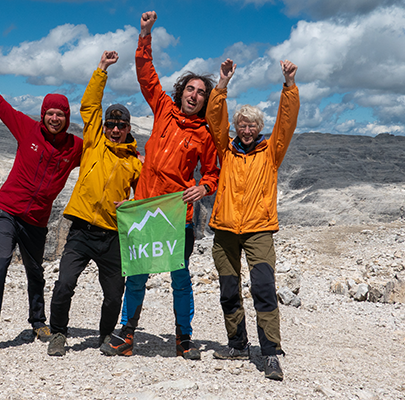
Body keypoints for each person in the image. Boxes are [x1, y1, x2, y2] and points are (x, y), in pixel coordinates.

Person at [100, 10, 220, 360]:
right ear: (181, 91)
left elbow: (213, 173)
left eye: (201, 92)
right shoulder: (164, 109)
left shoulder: (205, 135)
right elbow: (146, 75)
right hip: (145, 208)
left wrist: (204, 188)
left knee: (180, 277)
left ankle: (184, 338)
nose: (194, 95)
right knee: (136, 275)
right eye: (190, 89)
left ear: (205, 99)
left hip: (176, 215)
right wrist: (145, 34)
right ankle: (126, 336)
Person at [0, 43, 83, 355]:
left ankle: (38, 321)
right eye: (50, 113)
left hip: (36, 221)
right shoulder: (26, 128)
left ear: (67, 117)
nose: (54, 118)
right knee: (1, 262)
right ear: (43, 114)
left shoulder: (75, 148)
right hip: (7, 210)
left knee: (36, 271)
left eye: (60, 114)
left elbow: (103, 159)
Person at [205, 58, 299, 381]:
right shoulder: (226, 150)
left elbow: (286, 122)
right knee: (229, 289)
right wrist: (222, 84)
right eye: (241, 125)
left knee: (263, 288)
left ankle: (271, 352)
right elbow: (213, 118)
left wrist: (288, 86)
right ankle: (237, 343)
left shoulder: (270, 151)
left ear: (259, 128)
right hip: (225, 231)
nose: (246, 130)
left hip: (259, 231)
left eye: (252, 125)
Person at [46, 50, 143, 357]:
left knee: (115, 294)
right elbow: (90, 105)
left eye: (121, 125)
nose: (115, 129)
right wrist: (102, 69)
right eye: (111, 124)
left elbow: (143, 199)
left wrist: (129, 208)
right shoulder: (94, 141)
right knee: (64, 284)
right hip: (82, 230)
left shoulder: (135, 163)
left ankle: (105, 336)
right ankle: (58, 333)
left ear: (128, 129)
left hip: (113, 235)